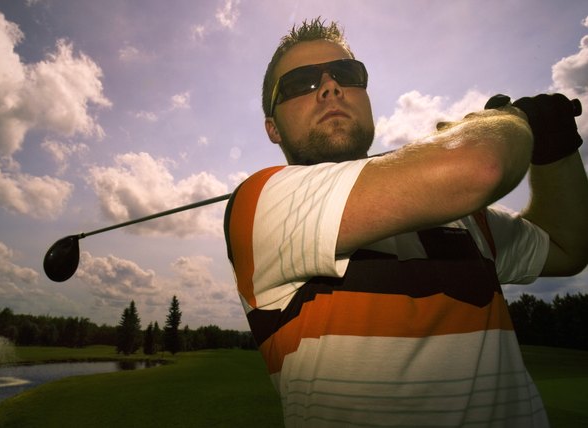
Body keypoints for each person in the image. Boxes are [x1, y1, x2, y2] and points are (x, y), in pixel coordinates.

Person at [224, 18, 588, 427]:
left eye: (346, 74)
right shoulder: (260, 203)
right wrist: (509, 121)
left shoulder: (460, 214)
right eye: (299, 84)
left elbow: (566, 248)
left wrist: (555, 146)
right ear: (272, 128)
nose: (329, 87)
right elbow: (481, 165)